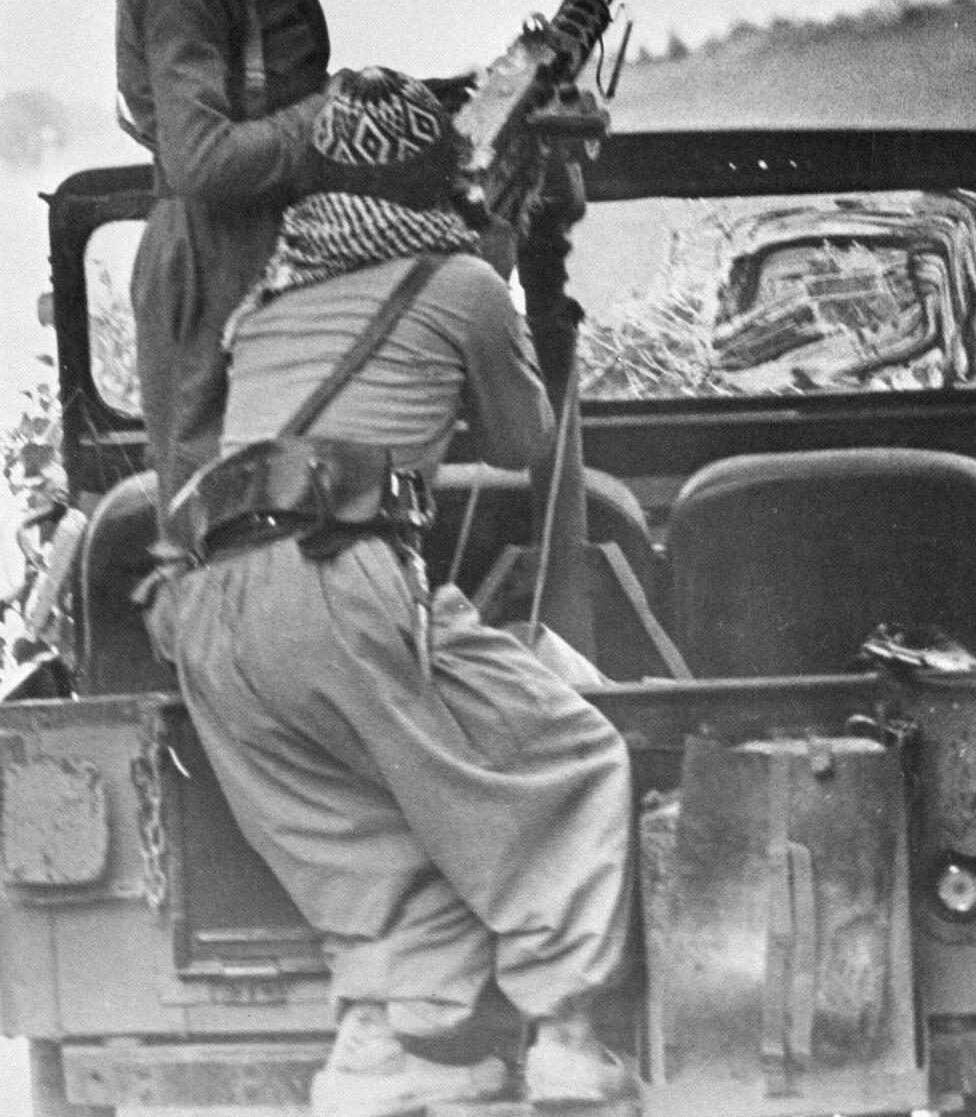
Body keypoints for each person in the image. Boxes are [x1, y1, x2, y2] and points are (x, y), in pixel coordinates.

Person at [163, 67, 637, 1114]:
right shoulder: (458, 281)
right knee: (568, 760)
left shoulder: (267, 299)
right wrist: (512, 289)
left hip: (208, 605)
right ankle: (564, 1035)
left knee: (353, 817)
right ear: (437, 190)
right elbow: (524, 444)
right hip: (340, 575)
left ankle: (374, 1046)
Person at [115, 0, 330, 525]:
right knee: (223, 532)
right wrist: (337, 117)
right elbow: (201, 158)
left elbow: (272, 93)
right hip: (212, 276)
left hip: (270, 264)